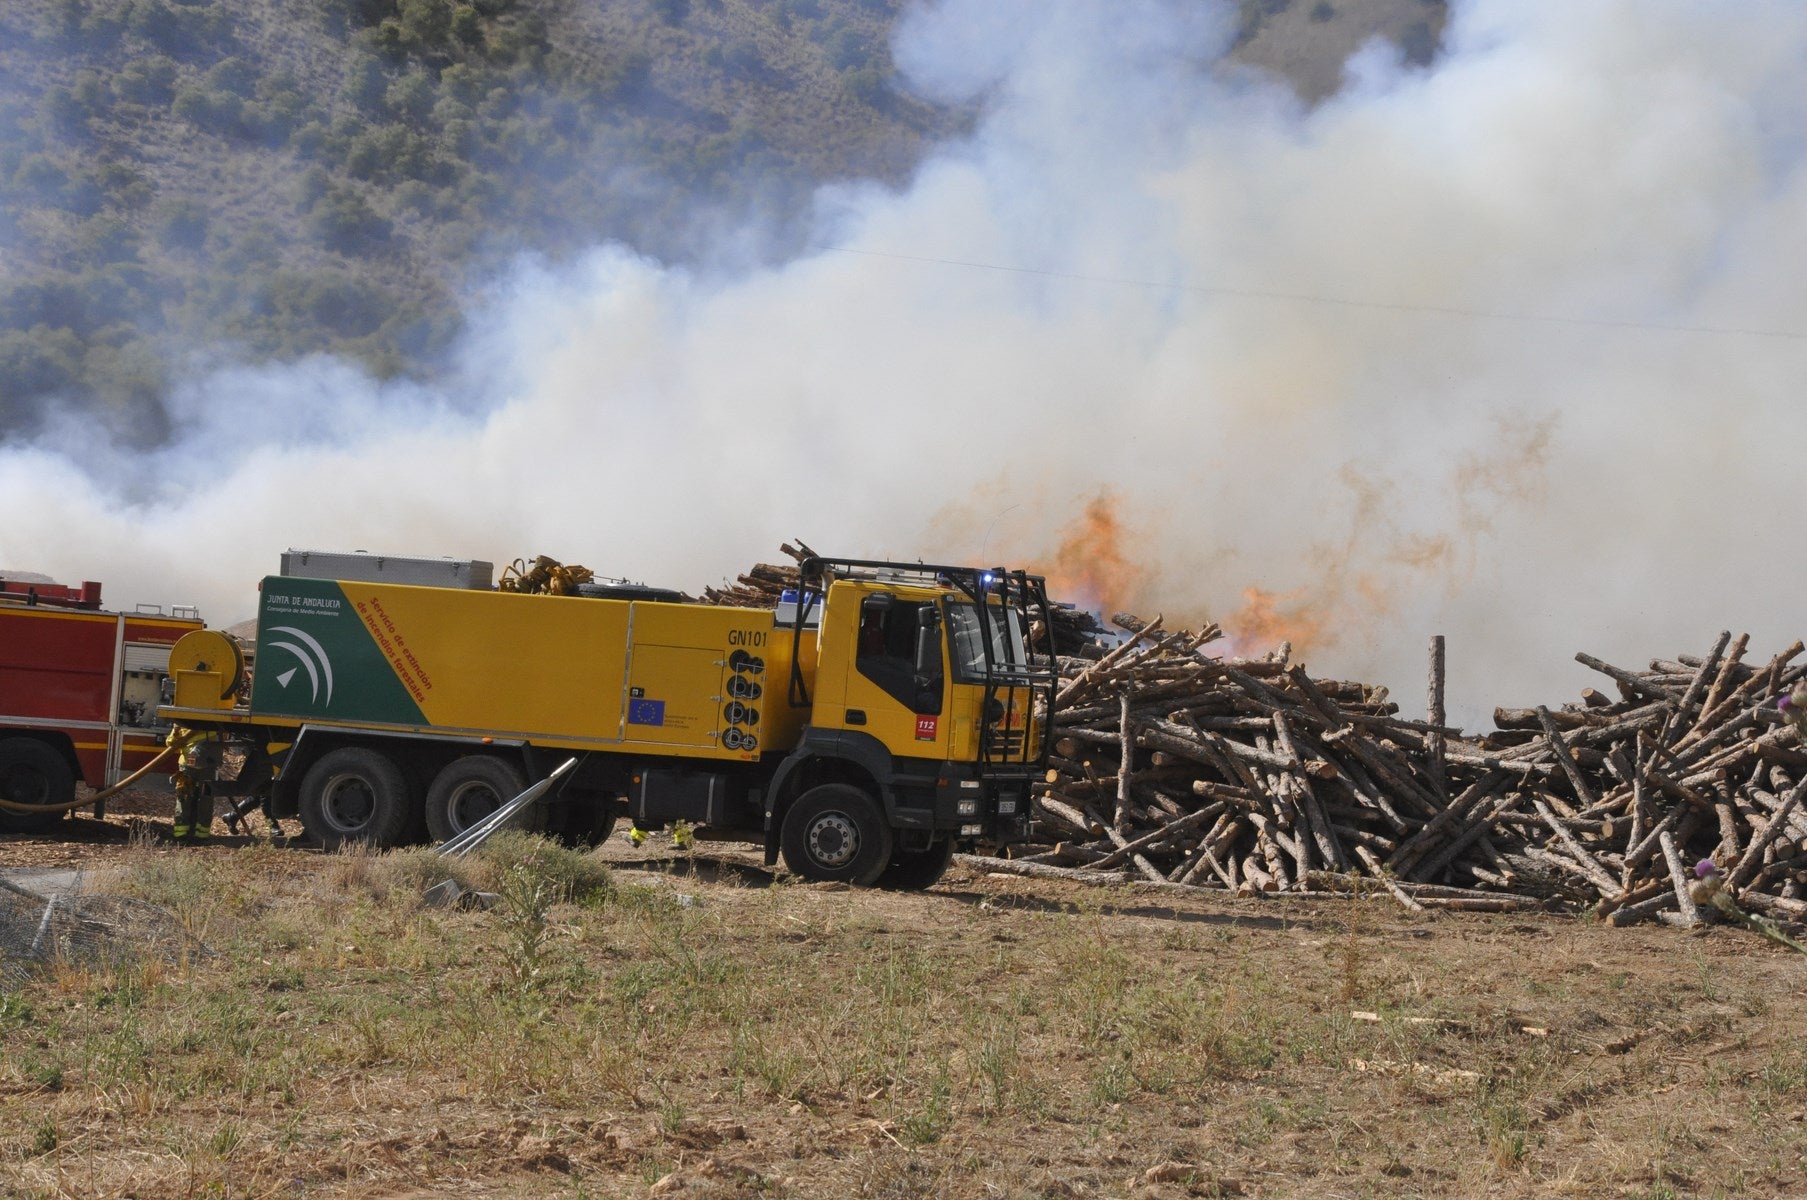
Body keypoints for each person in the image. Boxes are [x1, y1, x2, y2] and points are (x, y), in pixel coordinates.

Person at [167, 725, 222, 842]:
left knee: (184, 796)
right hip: (208, 764)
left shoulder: (182, 722)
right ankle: (202, 835)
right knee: (206, 797)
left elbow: (170, 743)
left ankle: (180, 833)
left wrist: (176, 730)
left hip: (187, 764)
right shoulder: (213, 720)